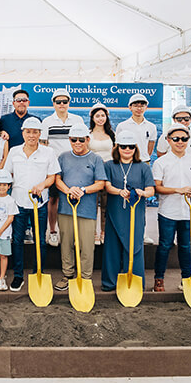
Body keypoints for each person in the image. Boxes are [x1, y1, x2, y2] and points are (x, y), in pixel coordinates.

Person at [2, 117, 60, 292]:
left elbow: (52, 177)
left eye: (35, 132)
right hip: (18, 203)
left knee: (40, 241)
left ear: (40, 134)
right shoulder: (14, 151)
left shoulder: (48, 152)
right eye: (28, 132)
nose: (31, 135)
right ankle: (18, 276)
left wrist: (42, 185)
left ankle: (38, 272)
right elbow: (7, 175)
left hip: (39, 203)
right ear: (23, 133)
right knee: (17, 240)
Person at [152, 123, 191, 292]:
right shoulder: (161, 162)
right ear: (168, 140)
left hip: (189, 213)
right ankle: (159, 279)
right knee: (164, 246)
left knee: (187, 247)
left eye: (184, 139)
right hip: (168, 212)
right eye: (176, 139)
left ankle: (187, 279)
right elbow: (157, 187)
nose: (180, 142)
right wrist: (178, 190)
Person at [53, 124, 107, 291]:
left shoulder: (96, 159)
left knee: (87, 246)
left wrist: (83, 190)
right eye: (74, 139)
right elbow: (57, 179)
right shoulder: (63, 157)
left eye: (81, 140)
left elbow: (100, 183)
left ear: (88, 140)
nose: (77, 143)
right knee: (66, 243)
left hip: (87, 210)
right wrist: (69, 190)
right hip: (66, 208)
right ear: (69, 140)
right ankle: (68, 275)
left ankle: (85, 277)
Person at [101, 130, 155, 291]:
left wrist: (142, 193)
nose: (127, 149)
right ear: (117, 147)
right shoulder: (109, 165)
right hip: (115, 211)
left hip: (135, 212)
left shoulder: (143, 167)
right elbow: (107, 186)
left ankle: (134, 282)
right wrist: (119, 191)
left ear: (135, 148)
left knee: (135, 245)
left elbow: (151, 189)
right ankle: (110, 282)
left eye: (131, 146)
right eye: (123, 146)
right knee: (112, 246)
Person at [41, 88, 84, 237]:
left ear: (69, 103)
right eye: (58, 101)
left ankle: (73, 231)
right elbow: (43, 145)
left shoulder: (78, 120)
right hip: (54, 167)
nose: (61, 104)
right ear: (53, 103)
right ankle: (53, 231)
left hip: (74, 165)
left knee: (73, 197)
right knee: (53, 199)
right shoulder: (47, 122)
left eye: (64, 101)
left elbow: (83, 143)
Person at [88, 103, 115, 243]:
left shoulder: (111, 134)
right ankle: (92, 232)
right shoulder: (88, 135)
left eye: (102, 115)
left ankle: (104, 231)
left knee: (106, 204)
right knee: (92, 204)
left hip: (108, 171)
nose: (100, 118)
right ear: (92, 118)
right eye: (97, 116)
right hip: (93, 172)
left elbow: (115, 152)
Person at [115, 93, 157, 163]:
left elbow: (150, 147)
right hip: (127, 162)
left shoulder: (151, 126)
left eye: (142, 106)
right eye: (136, 106)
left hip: (144, 161)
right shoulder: (122, 126)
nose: (139, 108)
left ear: (146, 107)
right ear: (130, 107)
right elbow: (117, 146)